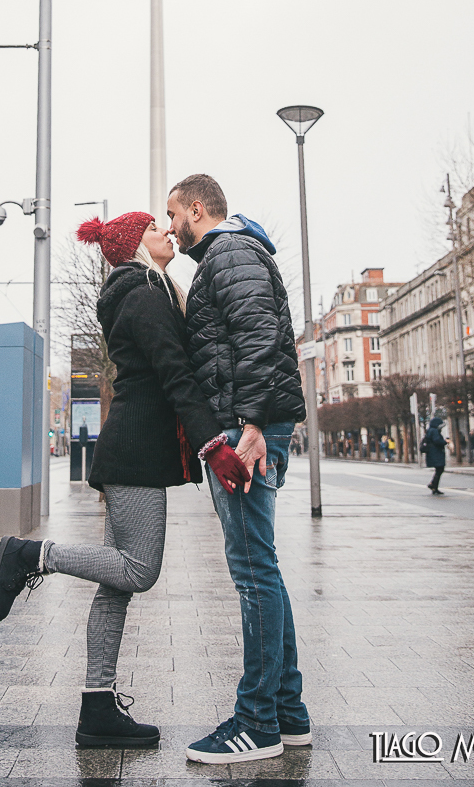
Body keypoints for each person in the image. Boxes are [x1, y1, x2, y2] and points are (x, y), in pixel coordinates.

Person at [0, 211, 249, 750]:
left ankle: (97, 708)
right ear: (135, 245)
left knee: (116, 586)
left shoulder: (142, 289)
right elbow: (175, 374)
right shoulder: (143, 294)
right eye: (156, 228)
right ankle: (30, 555)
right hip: (135, 452)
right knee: (138, 569)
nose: (168, 233)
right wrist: (212, 444)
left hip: (136, 449)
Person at [166, 173, 312, 766]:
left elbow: (258, 336)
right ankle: (288, 713)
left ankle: (256, 722)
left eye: (173, 213)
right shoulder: (232, 255)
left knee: (254, 573)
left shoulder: (228, 253)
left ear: (196, 209)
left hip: (245, 429)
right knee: (264, 570)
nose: (170, 226)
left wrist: (250, 423)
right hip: (248, 423)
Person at [424, 416, 446, 494]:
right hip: (436, 453)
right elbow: (437, 441)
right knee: (440, 469)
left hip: (432, 453)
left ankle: (434, 486)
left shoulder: (430, 430)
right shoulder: (434, 431)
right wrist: (445, 441)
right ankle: (433, 485)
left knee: (439, 470)